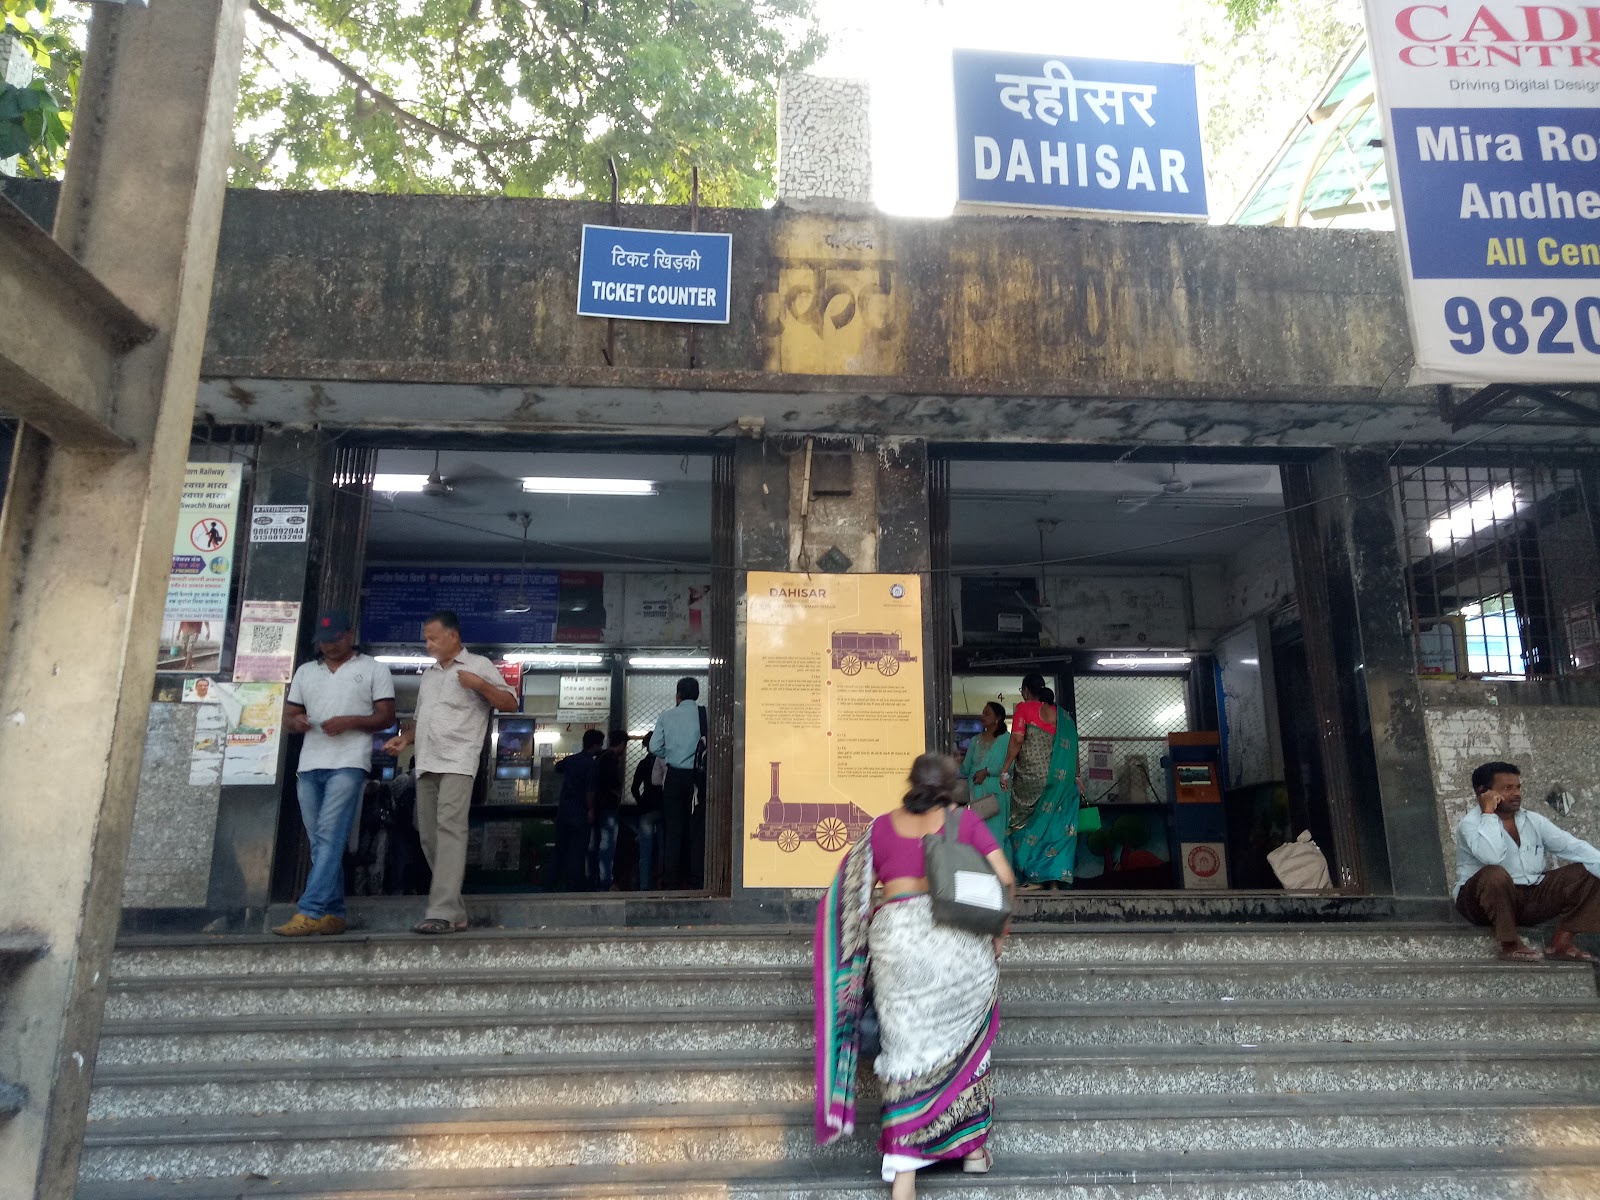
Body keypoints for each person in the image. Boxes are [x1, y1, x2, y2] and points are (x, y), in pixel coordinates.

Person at [815, 753, 1015, 1200]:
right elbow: (1004, 878)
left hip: (898, 946)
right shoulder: (963, 822)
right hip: (961, 945)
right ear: (950, 787)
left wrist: (854, 956)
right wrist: (999, 934)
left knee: (906, 1052)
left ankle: (903, 1169)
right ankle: (973, 1154)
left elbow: (852, 896)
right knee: (970, 1044)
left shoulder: (881, 827)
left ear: (912, 783)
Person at [382, 609, 519, 934]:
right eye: (426, 639)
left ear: (453, 637)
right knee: (429, 835)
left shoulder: (478, 666)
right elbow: (421, 717)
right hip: (426, 761)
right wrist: (405, 740)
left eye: (433, 638)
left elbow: (511, 703)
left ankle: (441, 912)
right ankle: (456, 912)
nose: (428, 644)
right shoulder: (430, 675)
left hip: (458, 761)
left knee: (450, 829)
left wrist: (481, 685)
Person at [274, 610, 396, 936]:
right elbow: (289, 714)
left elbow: (386, 717)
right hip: (309, 763)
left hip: (349, 762)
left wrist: (350, 721)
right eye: (324, 641)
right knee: (320, 842)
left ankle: (309, 910)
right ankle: (335, 913)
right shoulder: (304, 672)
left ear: (350, 634)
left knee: (329, 836)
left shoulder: (373, 669)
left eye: (335, 638)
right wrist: (294, 722)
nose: (329, 645)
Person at [1454, 760, 1600, 962]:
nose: (1516, 793)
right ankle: (1509, 944)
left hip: (1528, 898)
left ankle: (1561, 942)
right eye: (1507, 788)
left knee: (1591, 869)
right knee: (1494, 873)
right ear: (1483, 791)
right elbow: (1491, 857)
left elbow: (1571, 846)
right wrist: (1488, 813)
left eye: (1518, 787)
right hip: (1481, 903)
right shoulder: (1471, 824)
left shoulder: (1532, 820)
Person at [999, 674, 1080, 890]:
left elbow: (1017, 740)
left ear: (1025, 690)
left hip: (1032, 780)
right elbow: (1073, 751)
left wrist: (1005, 769)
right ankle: (1053, 880)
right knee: (1056, 828)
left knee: (1022, 824)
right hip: (1062, 780)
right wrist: (1077, 777)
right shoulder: (1065, 717)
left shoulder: (1024, 709)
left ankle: (1034, 878)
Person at [648, 676, 705, 889]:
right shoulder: (704, 716)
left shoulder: (666, 716)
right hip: (697, 780)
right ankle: (695, 879)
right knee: (696, 829)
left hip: (673, 777)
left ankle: (671, 879)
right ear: (697, 695)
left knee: (673, 829)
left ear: (678, 695)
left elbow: (654, 747)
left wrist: (670, 753)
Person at [554, 730, 605, 892]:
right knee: (578, 851)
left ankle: (553, 883)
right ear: (595, 745)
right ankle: (575, 886)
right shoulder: (592, 764)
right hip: (580, 813)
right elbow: (590, 790)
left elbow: (557, 767)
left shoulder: (571, 760)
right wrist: (591, 810)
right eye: (601, 744)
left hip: (564, 811)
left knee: (561, 848)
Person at [961, 701, 1011, 851]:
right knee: (977, 834)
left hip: (997, 793)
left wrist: (987, 771)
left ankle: (999, 870)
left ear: (998, 717)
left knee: (996, 835)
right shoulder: (975, 740)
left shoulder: (1006, 740)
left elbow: (1011, 766)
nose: (983, 716)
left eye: (987, 713)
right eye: (983, 713)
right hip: (976, 793)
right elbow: (965, 768)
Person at [630, 735, 665, 890]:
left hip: (647, 810)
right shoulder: (667, 761)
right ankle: (662, 883)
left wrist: (642, 805)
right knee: (663, 850)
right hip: (664, 809)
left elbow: (634, 788)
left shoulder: (643, 763)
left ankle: (644, 886)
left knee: (645, 852)